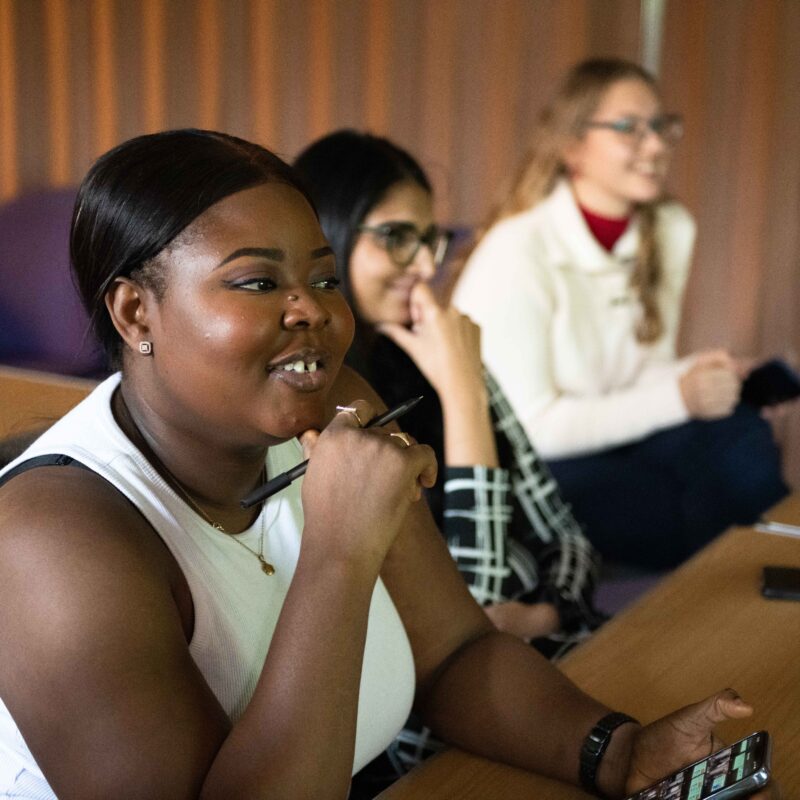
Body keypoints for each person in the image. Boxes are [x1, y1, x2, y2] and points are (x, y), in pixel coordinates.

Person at [0, 129, 772, 800]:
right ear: (135, 312)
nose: (312, 310)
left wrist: (618, 752)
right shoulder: (52, 543)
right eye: (259, 282)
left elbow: (454, 657)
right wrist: (340, 552)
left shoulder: (337, 405)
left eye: (323, 279)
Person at [452, 58, 788, 570]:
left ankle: (772, 572)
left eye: (660, 126)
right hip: (536, 466)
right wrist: (680, 396)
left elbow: (639, 375)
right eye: (629, 128)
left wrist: (703, 375)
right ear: (572, 145)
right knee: (679, 500)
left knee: (740, 431)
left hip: (617, 437)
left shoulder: (669, 229)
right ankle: (748, 583)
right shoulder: (517, 250)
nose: (654, 146)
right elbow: (533, 428)